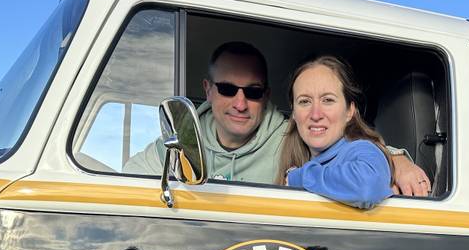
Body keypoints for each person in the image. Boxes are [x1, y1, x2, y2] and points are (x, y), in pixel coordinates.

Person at [124, 42, 431, 196]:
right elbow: (125, 184)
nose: (241, 103)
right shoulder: (182, 140)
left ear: (267, 95)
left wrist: (397, 161)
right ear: (208, 90)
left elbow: (353, 158)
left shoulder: (291, 135)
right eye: (228, 89)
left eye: (253, 92)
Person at [279, 56, 392, 209]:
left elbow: (367, 188)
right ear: (293, 112)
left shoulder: (361, 149)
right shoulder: (296, 159)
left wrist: (299, 177)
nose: (315, 114)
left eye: (328, 100)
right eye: (305, 101)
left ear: (350, 111)